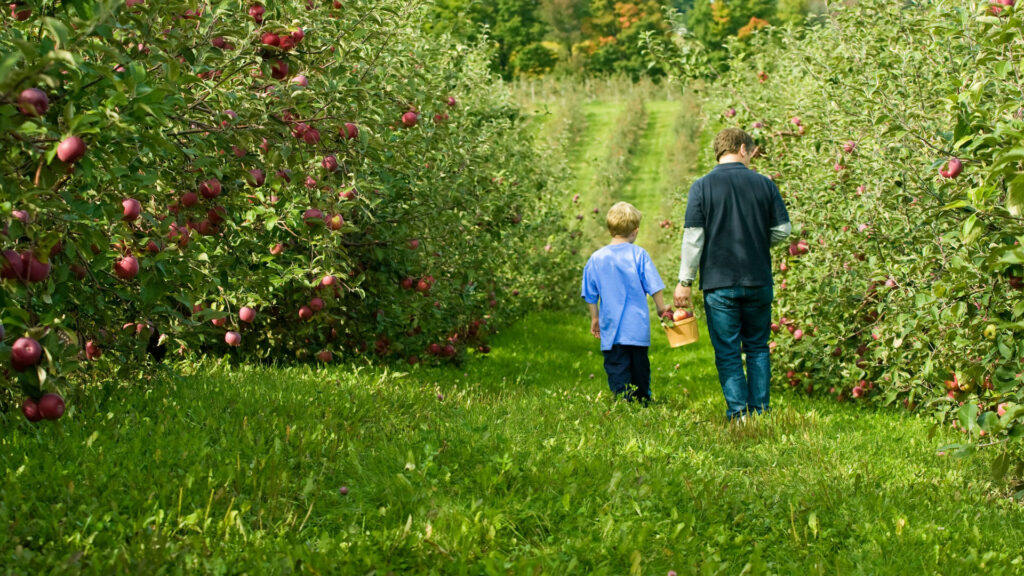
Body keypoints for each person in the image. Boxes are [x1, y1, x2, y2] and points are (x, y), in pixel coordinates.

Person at [674, 128, 791, 421]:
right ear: (742, 148)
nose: (751, 158)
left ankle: (739, 415)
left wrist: (685, 281)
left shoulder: (701, 187)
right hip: (758, 279)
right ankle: (761, 412)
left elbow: (694, 238)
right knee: (758, 347)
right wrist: (757, 238)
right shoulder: (765, 185)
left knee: (727, 351)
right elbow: (783, 231)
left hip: (718, 282)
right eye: (751, 152)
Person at [582, 202, 669, 404]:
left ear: (610, 229)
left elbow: (590, 293)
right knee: (640, 369)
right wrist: (661, 308)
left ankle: (623, 402)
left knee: (617, 367)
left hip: (611, 329)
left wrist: (594, 318)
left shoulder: (597, 258)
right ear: (635, 231)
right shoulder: (639, 255)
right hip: (637, 328)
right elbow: (654, 286)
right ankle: (642, 401)